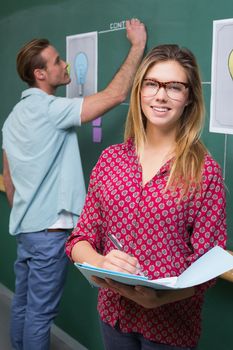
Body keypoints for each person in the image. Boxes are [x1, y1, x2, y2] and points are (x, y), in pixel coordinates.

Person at [66, 44, 227, 350]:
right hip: (114, 317)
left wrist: (162, 297)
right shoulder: (110, 160)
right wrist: (100, 261)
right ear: (140, 91)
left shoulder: (204, 171)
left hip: (170, 328)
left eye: (174, 87)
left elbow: (208, 266)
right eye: (152, 84)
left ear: (189, 96)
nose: (161, 95)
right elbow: (80, 238)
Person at [2, 18, 147, 350]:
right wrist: (137, 45)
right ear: (40, 74)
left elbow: (8, 179)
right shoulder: (51, 109)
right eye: (56, 61)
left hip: (26, 230)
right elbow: (116, 94)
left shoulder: (13, 118)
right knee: (40, 315)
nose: (64, 63)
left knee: (23, 307)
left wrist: (28, 214)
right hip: (50, 233)